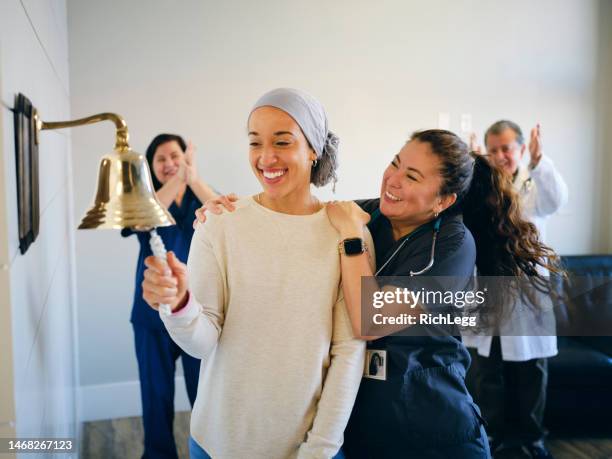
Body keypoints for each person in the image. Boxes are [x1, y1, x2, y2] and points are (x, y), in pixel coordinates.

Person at [200, 129, 561, 458]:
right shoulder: (370, 214)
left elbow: (370, 320)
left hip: (433, 429)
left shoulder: (454, 244)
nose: (393, 180)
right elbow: (294, 218)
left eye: (412, 176)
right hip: (367, 429)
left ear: (443, 201)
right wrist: (225, 212)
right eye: (395, 163)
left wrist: (352, 241)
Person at [141, 88, 367, 459]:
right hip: (214, 443)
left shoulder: (346, 231)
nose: (266, 157)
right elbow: (201, 342)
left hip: (307, 449)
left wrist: (319, 450)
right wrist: (178, 303)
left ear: (313, 149)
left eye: (282, 142)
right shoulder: (220, 222)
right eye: (254, 143)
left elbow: (348, 351)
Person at [465, 121, 568, 459]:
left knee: (531, 372)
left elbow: (556, 199)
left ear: (521, 149)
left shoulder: (532, 186)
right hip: (487, 291)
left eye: (506, 148)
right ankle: (488, 436)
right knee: (485, 371)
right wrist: (470, 165)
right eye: (492, 150)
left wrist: (539, 161)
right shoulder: (482, 188)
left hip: (526, 296)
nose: (499, 155)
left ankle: (531, 439)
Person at [121, 133, 218, 459]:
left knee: (202, 395)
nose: (169, 164)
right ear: (151, 166)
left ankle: (204, 452)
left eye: (175, 156)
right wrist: (179, 179)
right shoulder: (144, 199)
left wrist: (194, 179)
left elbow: (227, 217)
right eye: (160, 159)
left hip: (195, 314)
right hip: (150, 316)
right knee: (155, 395)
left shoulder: (199, 196)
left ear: (187, 159)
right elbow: (139, 219)